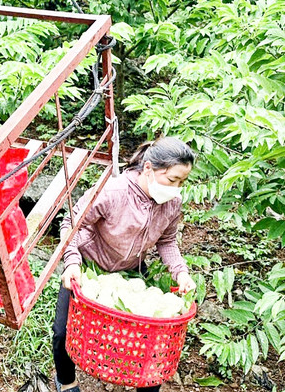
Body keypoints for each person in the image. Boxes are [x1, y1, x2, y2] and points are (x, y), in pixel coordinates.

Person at [52, 136, 197, 392]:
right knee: (64, 332)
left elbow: (167, 241)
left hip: (130, 273)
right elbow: (71, 224)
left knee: (151, 344)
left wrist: (181, 273)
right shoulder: (113, 192)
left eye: (182, 182)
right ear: (148, 168)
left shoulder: (172, 203)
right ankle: (66, 382)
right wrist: (72, 262)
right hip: (88, 269)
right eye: (172, 180)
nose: (176, 188)